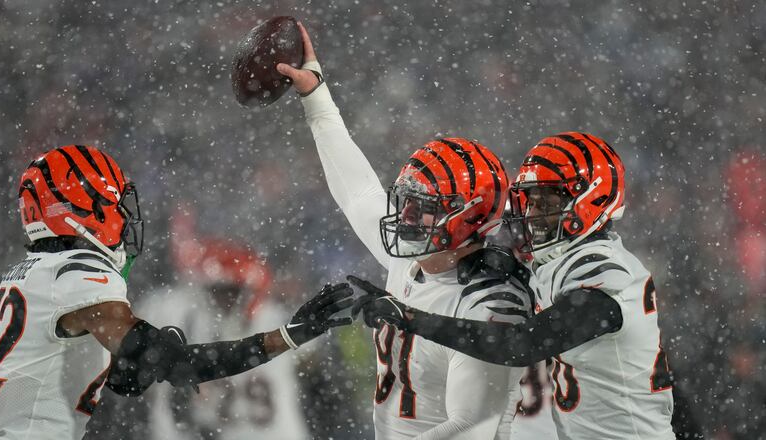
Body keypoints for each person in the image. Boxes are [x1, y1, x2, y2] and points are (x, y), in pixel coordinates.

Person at [0, 145, 353, 440]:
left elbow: (121, 376)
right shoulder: (80, 275)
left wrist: (142, 358)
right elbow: (180, 365)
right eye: (115, 204)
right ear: (88, 209)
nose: (125, 216)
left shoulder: (27, 274)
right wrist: (286, 336)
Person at [278, 24, 533, 439]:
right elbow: (358, 191)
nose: (407, 215)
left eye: (423, 206)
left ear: (468, 216)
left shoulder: (491, 301)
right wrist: (315, 97)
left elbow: (474, 425)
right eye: (406, 200)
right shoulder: (414, 261)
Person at [351, 132, 677, 439]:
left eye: (546, 204)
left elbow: (521, 345)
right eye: (530, 202)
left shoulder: (605, 271)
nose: (533, 215)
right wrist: (503, 262)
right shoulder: (563, 259)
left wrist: (411, 318)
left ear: (593, 199)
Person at [138, 216, 309, 440]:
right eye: (218, 292)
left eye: (231, 293)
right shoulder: (185, 320)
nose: (224, 301)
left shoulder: (274, 320)